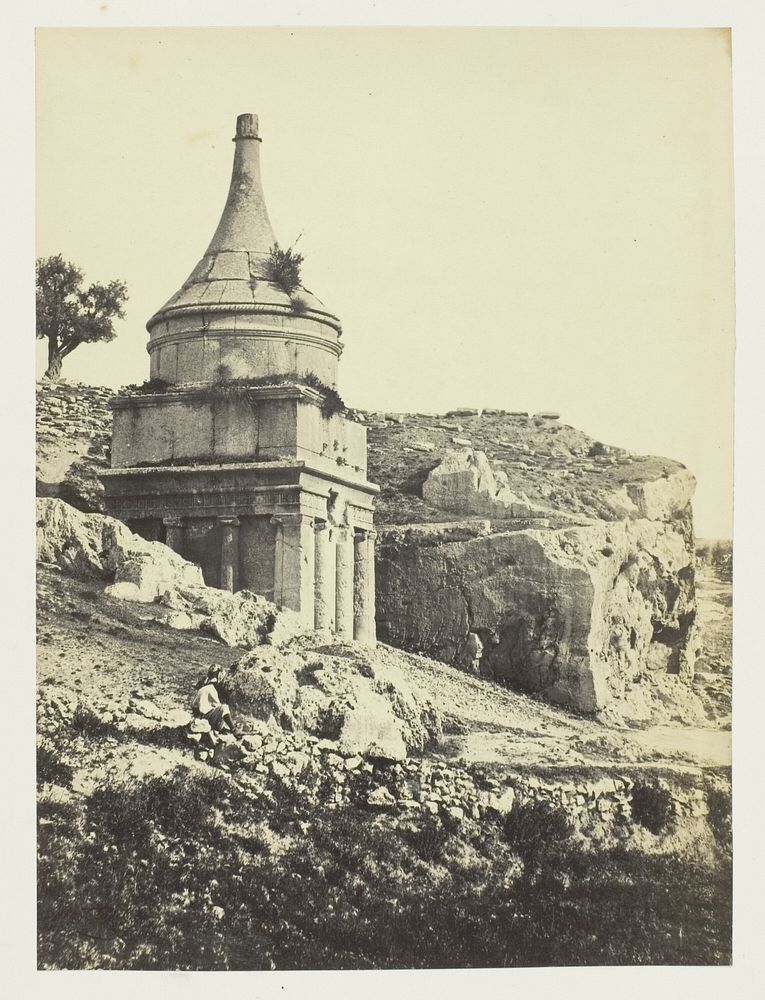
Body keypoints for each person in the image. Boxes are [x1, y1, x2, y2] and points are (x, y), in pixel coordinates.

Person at [192, 665, 238, 737]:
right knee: (224, 708)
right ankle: (234, 729)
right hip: (205, 721)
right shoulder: (212, 689)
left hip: (199, 719)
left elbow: (194, 706)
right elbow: (218, 706)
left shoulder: (202, 689)